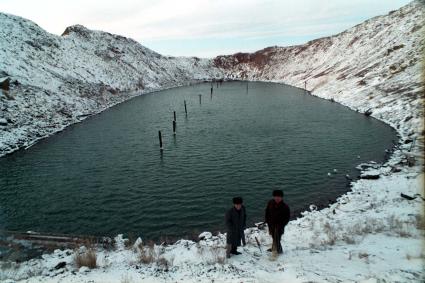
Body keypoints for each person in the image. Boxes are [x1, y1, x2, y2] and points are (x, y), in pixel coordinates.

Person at [265, 189, 290, 254]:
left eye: (279, 197)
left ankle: (279, 251)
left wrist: (280, 225)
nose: (277, 198)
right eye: (276, 196)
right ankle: (274, 248)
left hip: (279, 227)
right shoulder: (270, 202)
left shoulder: (285, 207)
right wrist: (267, 221)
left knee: (277, 239)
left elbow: (287, 218)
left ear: (281, 197)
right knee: (274, 237)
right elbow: (267, 212)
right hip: (271, 225)